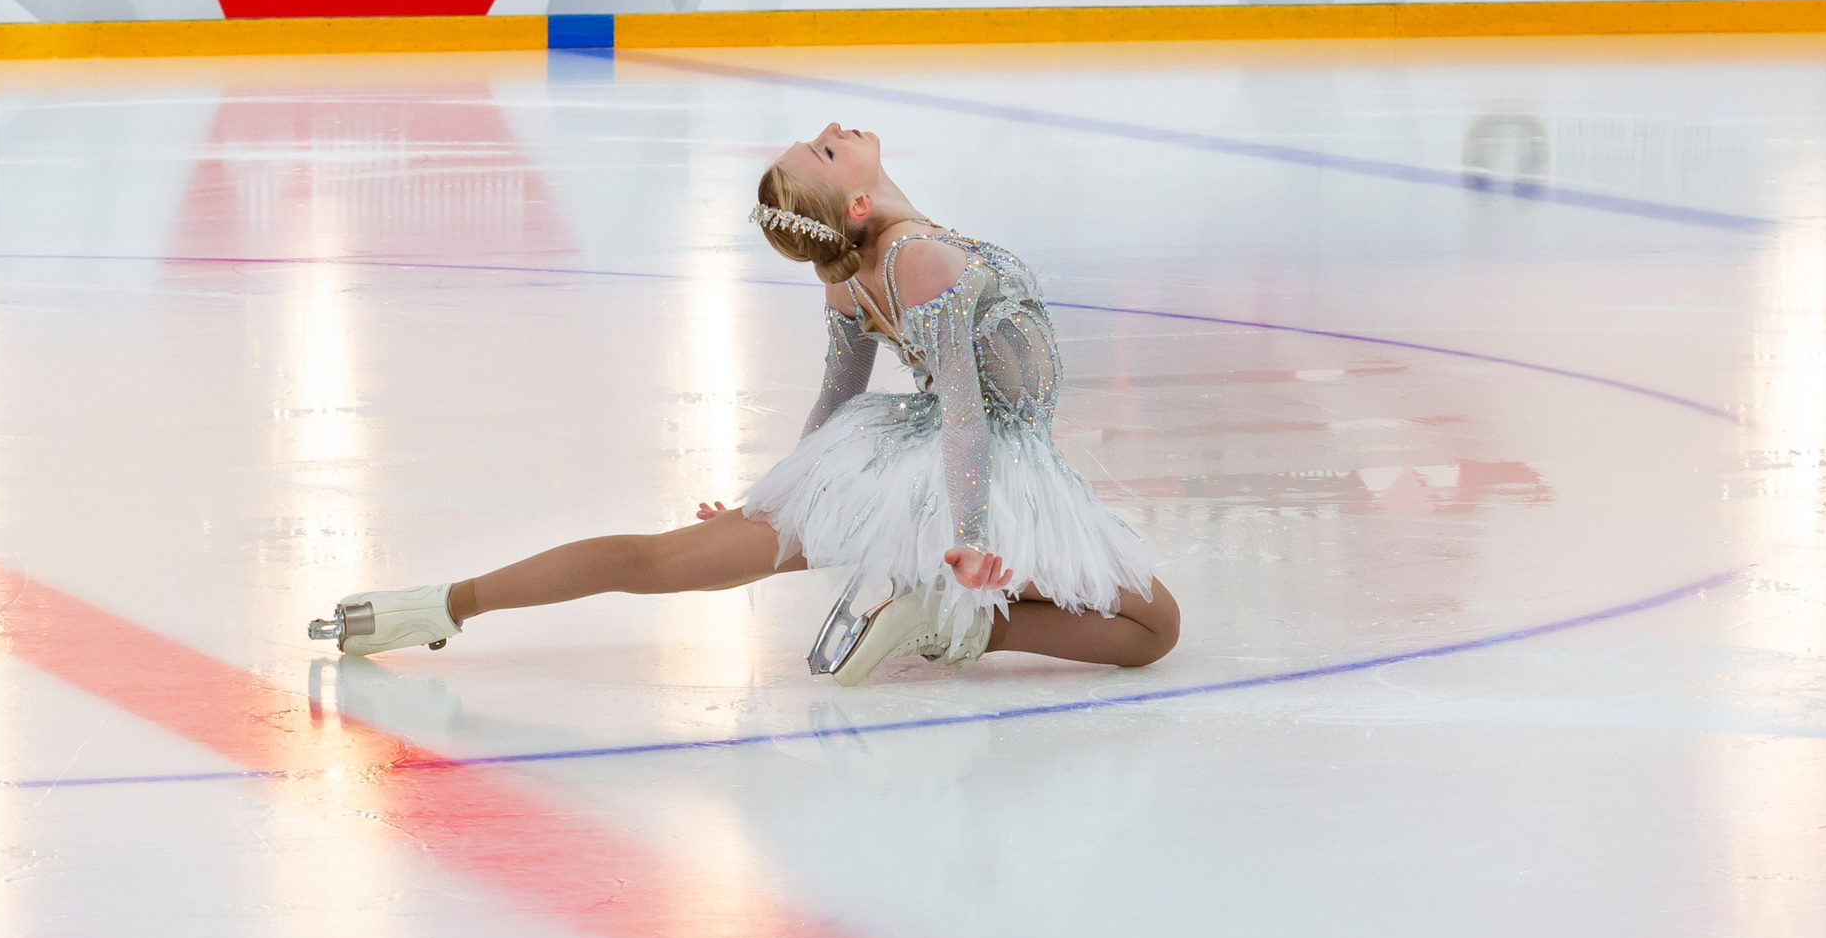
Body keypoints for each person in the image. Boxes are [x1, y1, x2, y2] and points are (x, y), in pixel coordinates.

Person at [309, 122, 1182, 684]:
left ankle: (435, 604)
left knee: (657, 559)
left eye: (818, 142)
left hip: (890, 461)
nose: (833, 132)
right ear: (859, 201)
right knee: (1153, 628)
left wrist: (783, 493)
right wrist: (973, 535)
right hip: (979, 470)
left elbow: (835, 402)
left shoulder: (849, 273)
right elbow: (963, 413)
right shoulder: (919, 258)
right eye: (827, 152)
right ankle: (949, 625)